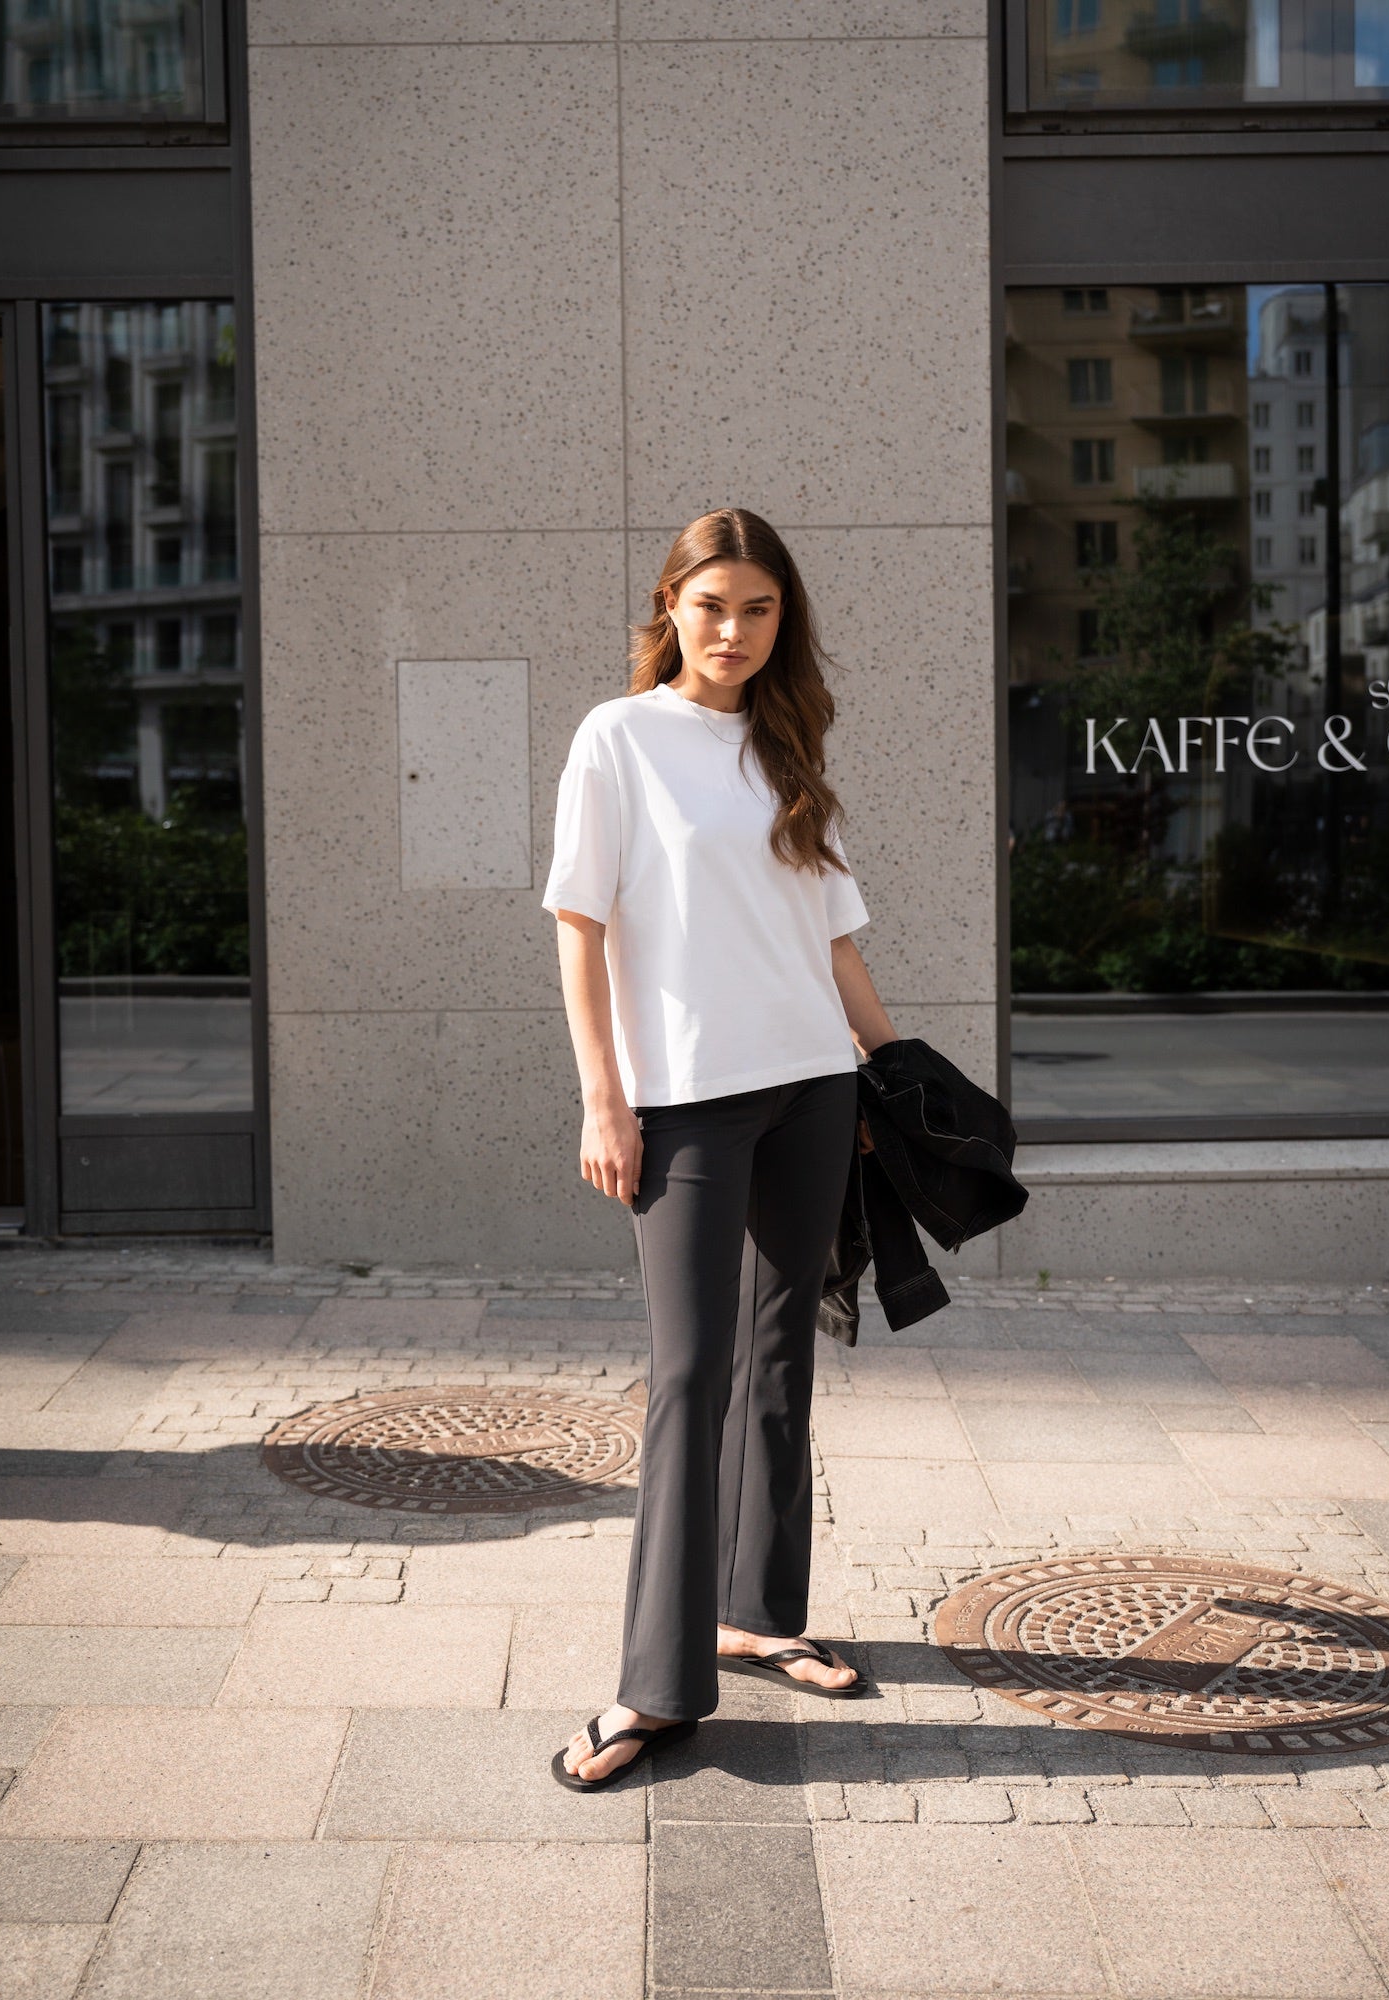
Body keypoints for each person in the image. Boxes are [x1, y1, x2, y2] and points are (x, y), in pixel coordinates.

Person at [541, 506, 899, 1790]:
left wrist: (891, 1069)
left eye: (759, 609)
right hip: (685, 1100)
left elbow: (834, 935)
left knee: (781, 1355)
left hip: (809, 1084)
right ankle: (654, 1685)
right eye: (713, 606)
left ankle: (759, 1611)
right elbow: (580, 925)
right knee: (690, 1372)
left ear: (780, 620)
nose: (735, 631)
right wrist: (603, 1097)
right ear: (670, 608)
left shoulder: (788, 743)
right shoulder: (619, 738)